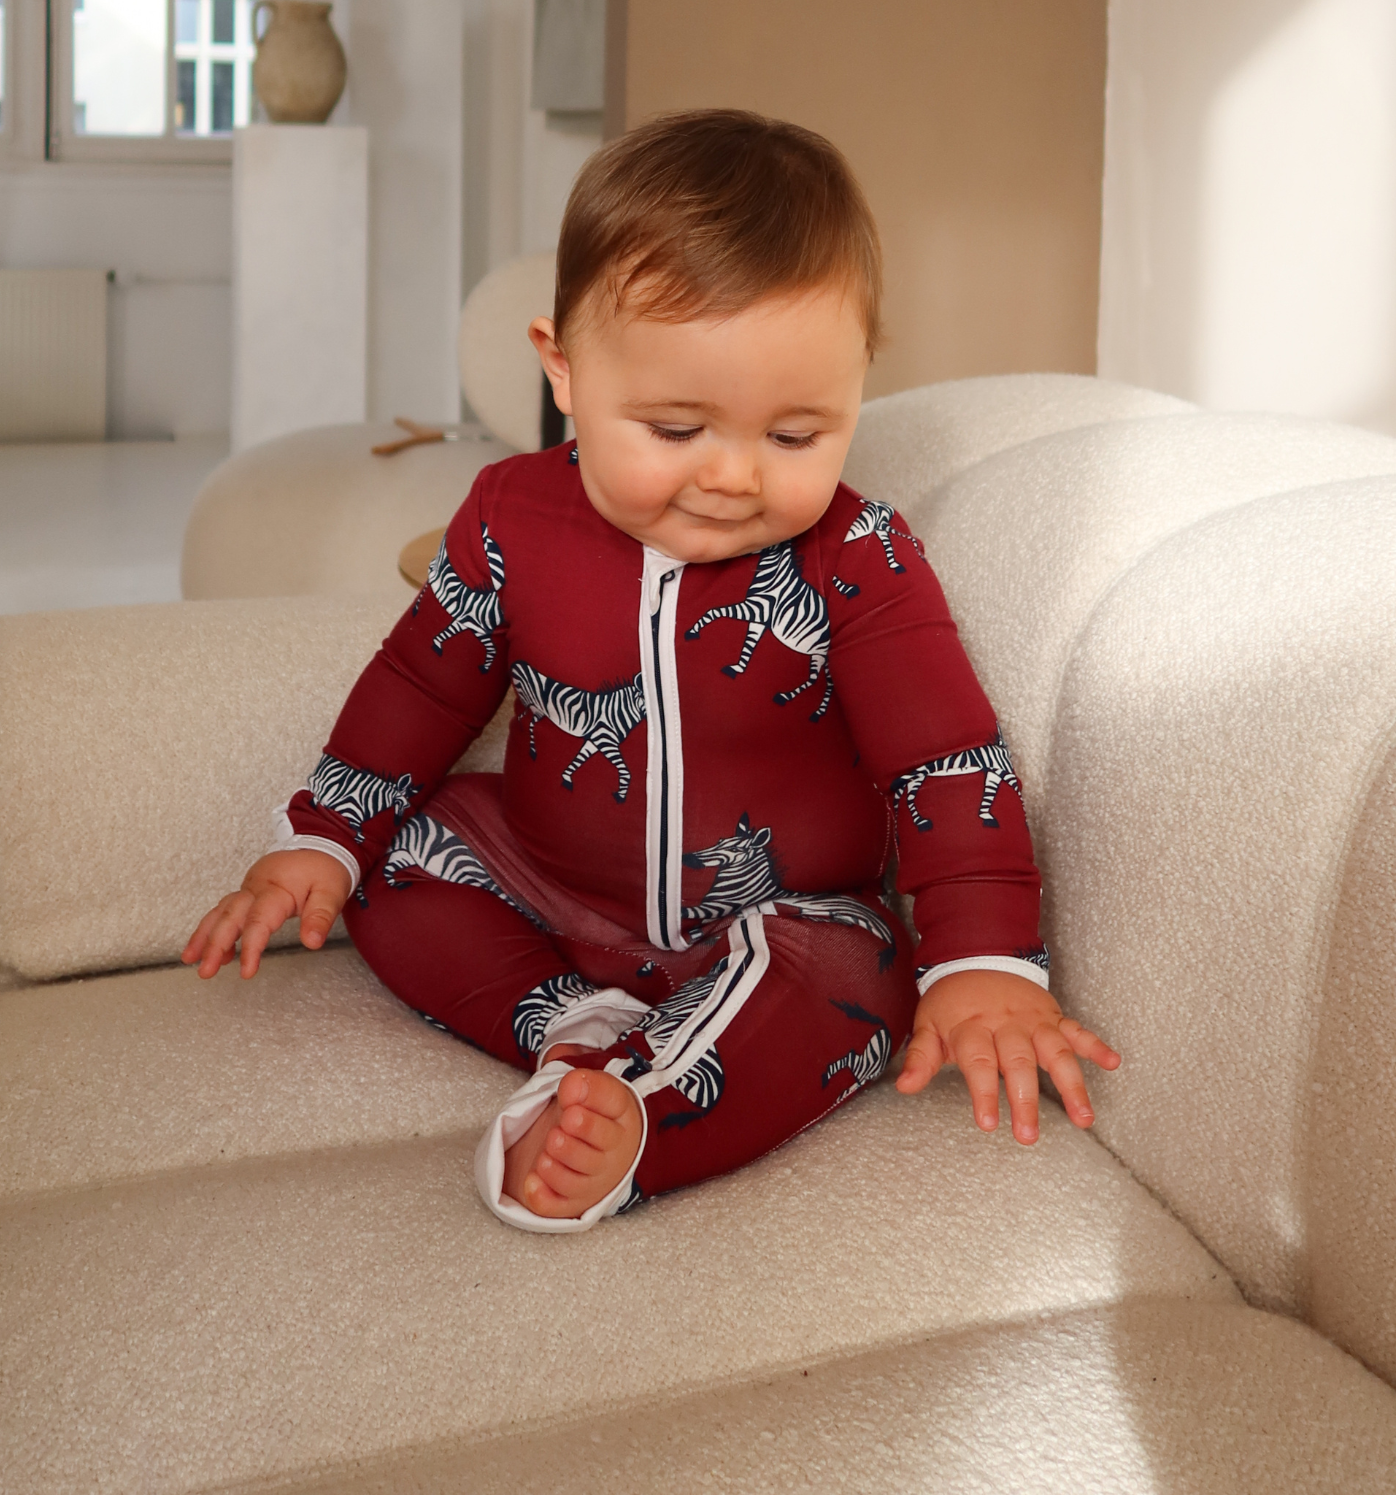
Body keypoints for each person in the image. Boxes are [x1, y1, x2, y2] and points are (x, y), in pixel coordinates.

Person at [183, 109, 1119, 1233]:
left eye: (794, 436)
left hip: (779, 919)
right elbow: (421, 688)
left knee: (858, 972)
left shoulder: (860, 555)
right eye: (676, 429)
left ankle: (645, 1115)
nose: (732, 477)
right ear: (564, 371)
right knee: (398, 853)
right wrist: (322, 836)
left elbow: (946, 761)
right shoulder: (509, 520)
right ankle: (571, 1027)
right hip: (548, 886)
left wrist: (985, 962)